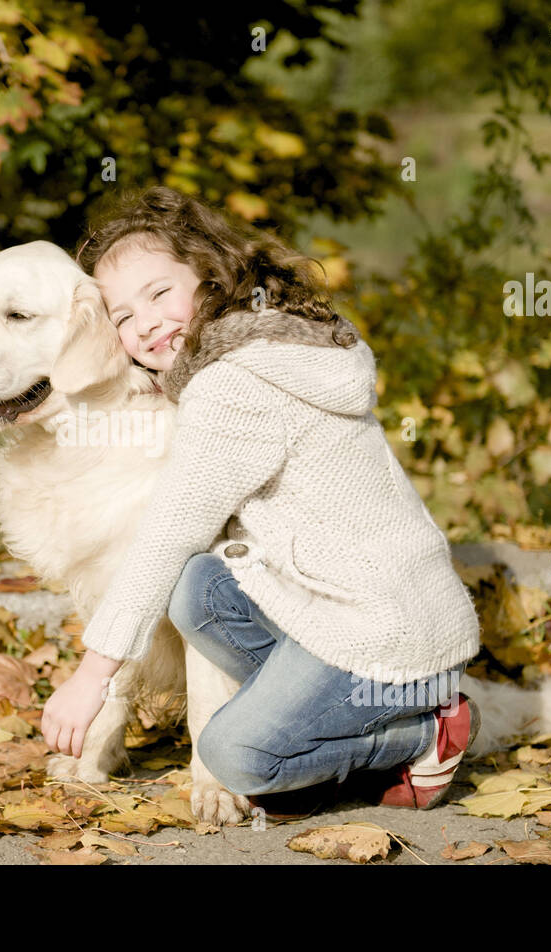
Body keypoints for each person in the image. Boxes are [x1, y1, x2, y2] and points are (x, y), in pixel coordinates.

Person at [39, 186, 484, 818]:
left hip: (385, 636)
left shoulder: (231, 384)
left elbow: (169, 530)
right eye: (121, 316)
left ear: (211, 275)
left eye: (161, 293)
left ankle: (421, 730)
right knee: (199, 586)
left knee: (237, 759)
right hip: (356, 604)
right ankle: (321, 715)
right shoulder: (264, 345)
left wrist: (92, 677)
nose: (144, 322)